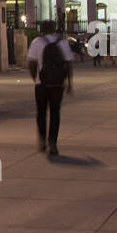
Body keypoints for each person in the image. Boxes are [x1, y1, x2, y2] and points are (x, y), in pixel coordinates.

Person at [27, 21, 74, 156]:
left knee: (41, 112)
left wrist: (35, 78)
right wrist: (70, 83)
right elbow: (69, 63)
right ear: (54, 30)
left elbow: (31, 62)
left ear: (41, 29)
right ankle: (53, 142)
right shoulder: (62, 43)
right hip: (57, 84)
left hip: (41, 83)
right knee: (55, 113)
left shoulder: (37, 42)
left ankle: (42, 140)